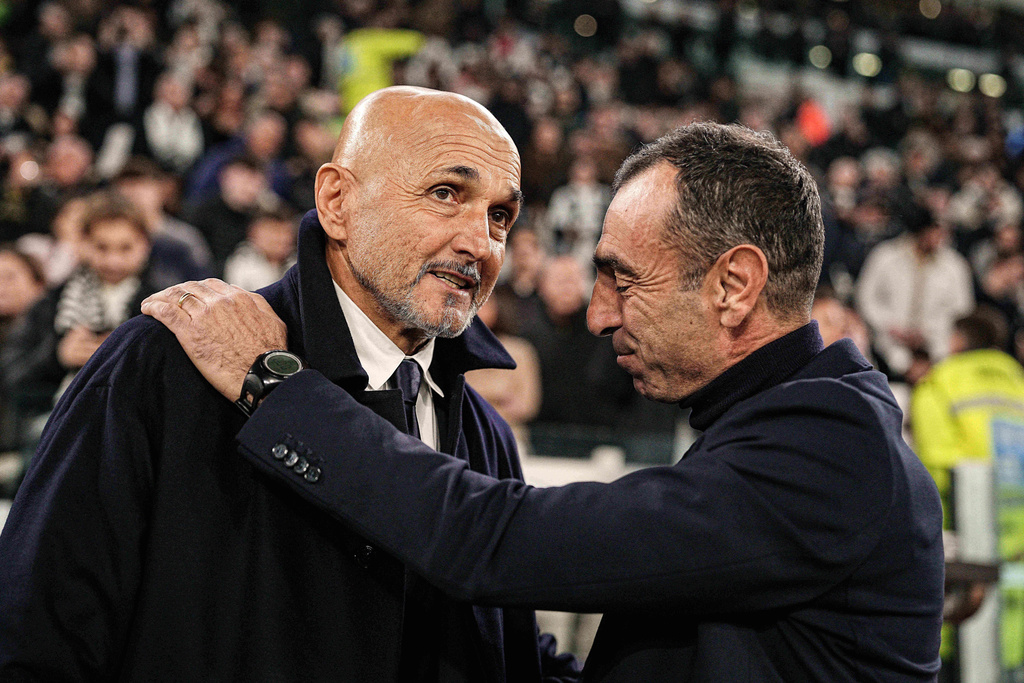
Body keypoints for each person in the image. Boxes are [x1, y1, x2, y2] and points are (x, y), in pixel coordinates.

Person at [143, 122, 945, 681]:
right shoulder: (778, 429)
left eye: (623, 278)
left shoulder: (831, 448)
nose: (598, 315)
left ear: (734, 284)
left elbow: (493, 540)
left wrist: (277, 387)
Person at [0, 86, 577, 682]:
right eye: (445, 194)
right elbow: (36, 633)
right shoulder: (164, 363)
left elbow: (515, 659)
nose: (479, 243)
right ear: (336, 202)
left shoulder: (487, 438)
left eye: (500, 216)